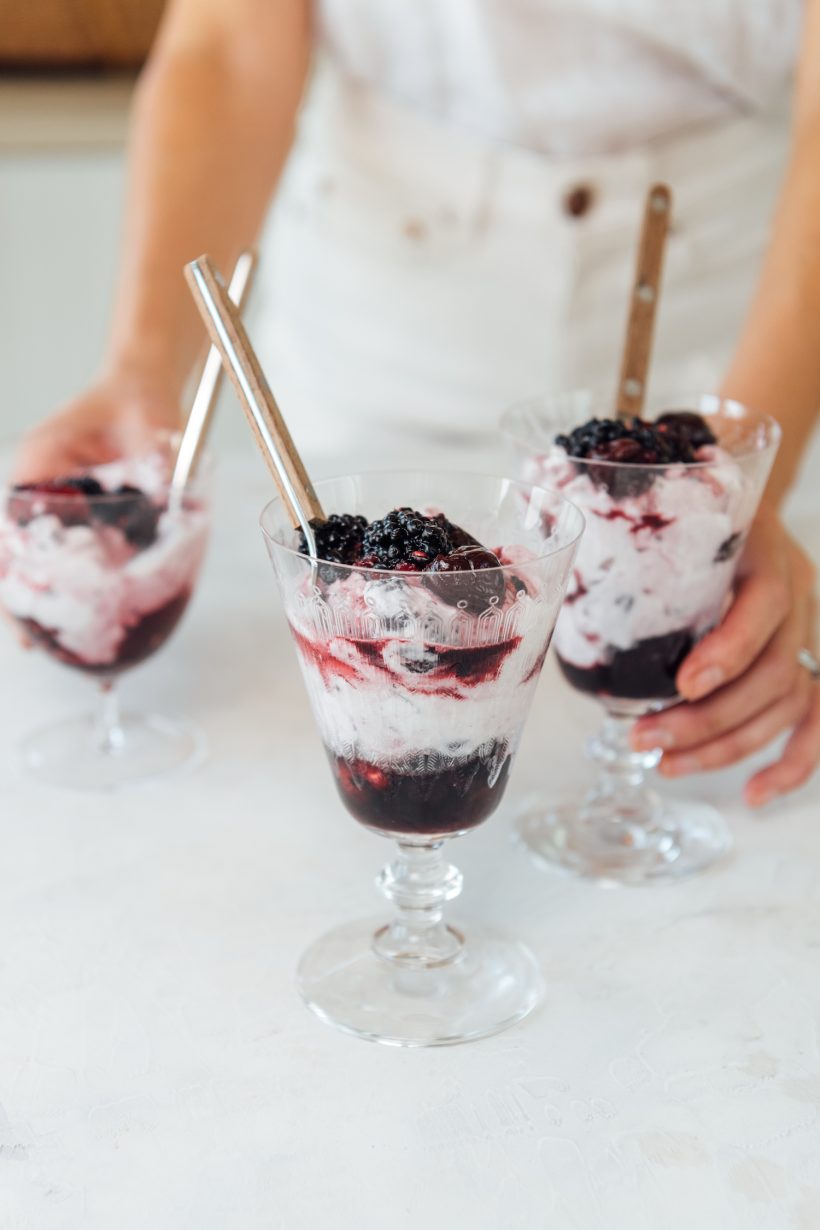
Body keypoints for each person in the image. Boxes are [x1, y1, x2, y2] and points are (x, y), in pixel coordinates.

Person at [13, 0, 820, 804]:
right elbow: (227, 42)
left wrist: (721, 504)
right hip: (377, 322)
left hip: (721, 308)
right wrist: (142, 370)